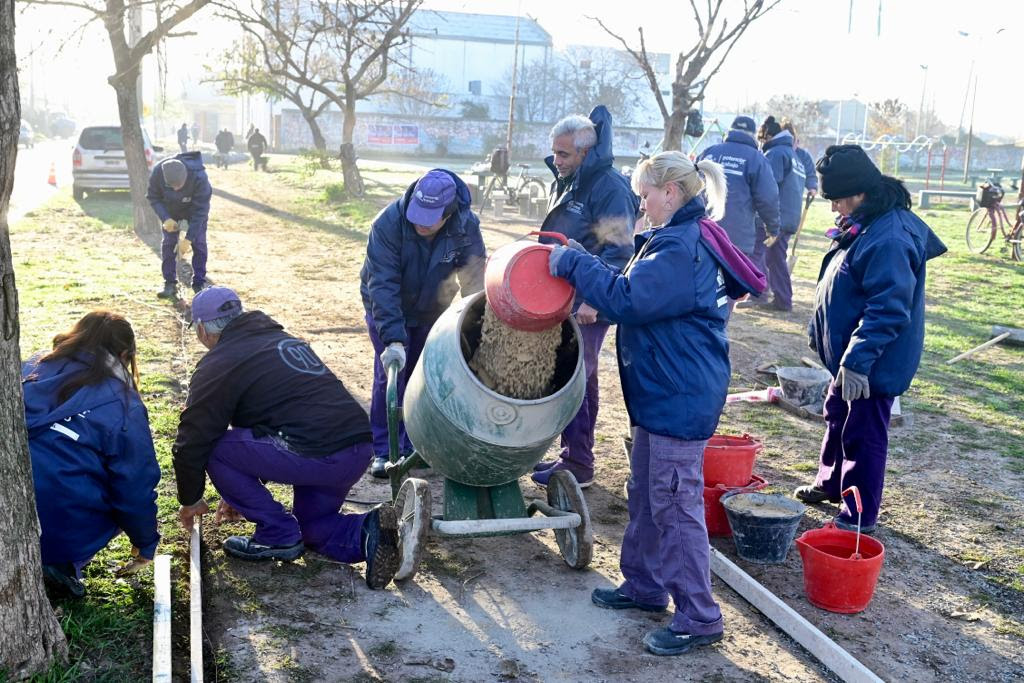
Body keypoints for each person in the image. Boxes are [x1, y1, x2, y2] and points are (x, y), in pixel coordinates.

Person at [548, 152, 763, 656]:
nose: (640, 204)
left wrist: (576, 263)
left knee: (673, 504)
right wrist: (592, 266)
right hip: (664, 390)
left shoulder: (680, 248)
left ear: (672, 192)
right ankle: (645, 586)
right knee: (645, 491)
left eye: (645, 194)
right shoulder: (675, 240)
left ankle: (699, 616)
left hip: (679, 397)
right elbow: (634, 289)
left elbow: (627, 300)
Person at [172, 287, 407, 588]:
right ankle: (369, 531)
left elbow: (193, 439)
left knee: (215, 449)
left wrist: (190, 499)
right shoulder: (281, 340)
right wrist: (241, 492)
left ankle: (275, 533)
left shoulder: (221, 361)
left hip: (314, 453)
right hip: (356, 447)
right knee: (312, 529)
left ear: (202, 329)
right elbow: (280, 412)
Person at [795, 145, 946, 533]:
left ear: (859, 192)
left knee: (864, 433)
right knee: (837, 416)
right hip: (852, 357)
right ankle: (830, 483)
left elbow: (889, 308)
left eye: (837, 199)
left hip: (872, 362)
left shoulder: (890, 236)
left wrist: (857, 361)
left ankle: (858, 513)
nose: (834, 209)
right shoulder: (868, 220)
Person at [532, 105, 638, 489]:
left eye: (563, 154)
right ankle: (574, 454)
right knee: (579, 375)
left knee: (576, 375)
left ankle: (578, 463)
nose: (555, 160)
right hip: (563, 295)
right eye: (555, 152)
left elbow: (620, 251)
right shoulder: (571, 179)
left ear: (586, 152)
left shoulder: (609, 188)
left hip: (590, 300)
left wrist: (594, 301)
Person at [24, 311, 160, 598]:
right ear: (124, 354)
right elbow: (135, 486)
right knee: (113, 492)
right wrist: (145, 543)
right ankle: (60, 563)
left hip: (12, 509)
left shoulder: (31, 367)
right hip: (60, 526)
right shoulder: (123, 404)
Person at [360, 169, 485, 477]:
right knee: (391, 375)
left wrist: (479, 325)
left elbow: (474, 277)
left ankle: (418, 446)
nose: (421, 224)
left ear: (449, 211)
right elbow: (383, 283)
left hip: (432, 308)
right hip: (387, 308)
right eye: (418, 215)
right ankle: (384, 450)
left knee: (425, 375)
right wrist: (393, 340)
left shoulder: (465, 225)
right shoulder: (387, 224)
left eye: (430, 219)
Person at [697, 116, 779, 316]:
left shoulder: (710, 153)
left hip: (702, 231)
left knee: (701, 280)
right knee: (729, 286)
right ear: (752, 135)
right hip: (737, 237)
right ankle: (718, 327)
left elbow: (691, 186)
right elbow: (768, 198)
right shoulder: (757, 159)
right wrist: (773, 227)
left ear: (730, 131)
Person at [747, 115, 804, 311]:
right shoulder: (793, 155)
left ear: (770, 136)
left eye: (763, 139)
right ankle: (781, 299)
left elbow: (766, 186)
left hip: (775, 217)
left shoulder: (776, 154)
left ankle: (762, 294)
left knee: (758, 253)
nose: (762, 143)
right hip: (789, 216)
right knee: (774, 258)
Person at [147, 152, 212, 298]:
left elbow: (201, 211)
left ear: (186, 177)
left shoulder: (199, 177)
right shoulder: (158, 172)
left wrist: (188, 239)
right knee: (169, 243)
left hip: (194, 210)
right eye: (171, 186)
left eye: (179, 186)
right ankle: (169, 283)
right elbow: (153, 196)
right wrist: (165, 218)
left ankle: (199, 282)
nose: (176, 189)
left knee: (199, 243)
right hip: (170, 210)